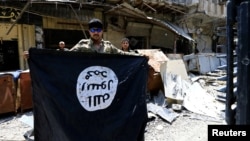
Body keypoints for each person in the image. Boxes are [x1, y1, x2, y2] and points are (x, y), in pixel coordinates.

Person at [69, 18, 141, 56]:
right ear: (89, 31)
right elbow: (66, 56)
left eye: (98, 30)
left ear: (102, 31)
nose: (96, 32)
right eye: (93, 30)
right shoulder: (82, 44)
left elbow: (123, 54)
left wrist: (140, 55)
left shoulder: (108, 46)